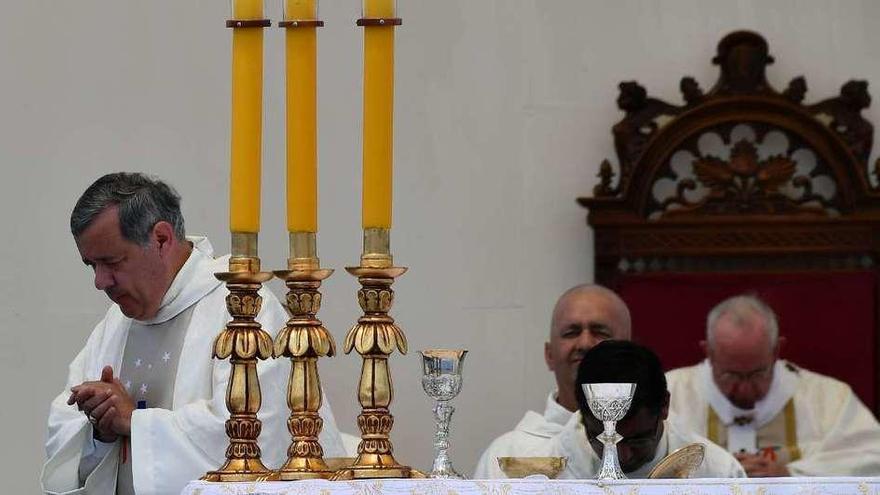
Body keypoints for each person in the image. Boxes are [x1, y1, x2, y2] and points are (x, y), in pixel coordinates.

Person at [41, 173, 346, 495]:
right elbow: (65, 424)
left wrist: (136, 423)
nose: (100, 282)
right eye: (91, 265)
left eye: (111, 262)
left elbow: (260, 435)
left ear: (161, 238)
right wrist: (99, 431)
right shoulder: (115, 326)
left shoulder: (240, 309)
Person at [666, 294, 880, 477]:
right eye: (731, 375)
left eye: (757, 373)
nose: (744, 390)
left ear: (777, 350)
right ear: (708, 353)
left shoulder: (830, 399)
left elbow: (871, 458)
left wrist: (791, 475)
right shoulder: (672, 393)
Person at [474, 284, 631, 478]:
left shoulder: (667, 445)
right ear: (549, 354)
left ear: (630, 354)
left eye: (600, 332)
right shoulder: (508, 453)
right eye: (571, 333)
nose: (584, 343)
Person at [552, 340, 744, 479]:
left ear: (664, 407)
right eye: (600, 438)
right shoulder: (544, 476)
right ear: (581, 414)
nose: (621, 456)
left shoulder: (719, 475)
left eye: (637, 440)